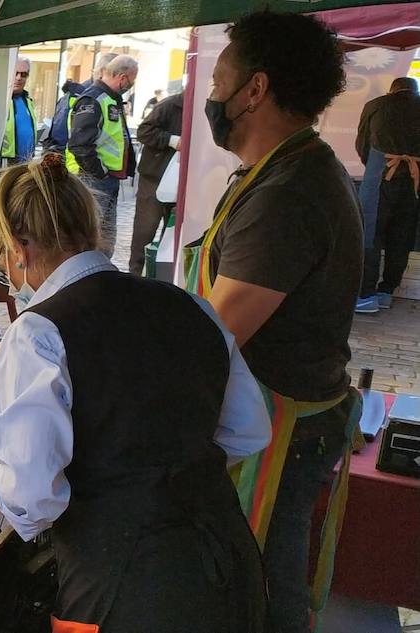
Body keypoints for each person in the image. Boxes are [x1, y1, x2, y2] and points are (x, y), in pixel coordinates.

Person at [0, 154, 270, 633]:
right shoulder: (191, 306)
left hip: (123, 585)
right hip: (225, 561)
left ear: (18, 248)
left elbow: (34, 500)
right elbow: (247, 429)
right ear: (89, 229)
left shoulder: (37, 332)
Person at [186, 11, 360, 632]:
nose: (211, 97)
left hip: (280, 425)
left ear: (254, 90)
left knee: (261, 583)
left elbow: (213, 336)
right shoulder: (280, 171)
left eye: (218, 84)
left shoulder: (289, 193)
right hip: (265, 410)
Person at [355, 76, 420, 313]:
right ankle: (386, 291)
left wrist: (375, 164)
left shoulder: (376, 105)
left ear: (393, 90)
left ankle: (365, 296)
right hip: (414, 181)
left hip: (379, 176)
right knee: (402, 236)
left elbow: (362, 145)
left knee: (370, 233)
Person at [66, 54, 139, 258]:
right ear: (123, 78)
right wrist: (100, 172)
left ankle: (102, 275)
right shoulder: (94, 100)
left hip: (107, 179)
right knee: (89, 238)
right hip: (94, 179)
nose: (132, 84)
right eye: (132, 80)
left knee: (105, 240)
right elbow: (80, 144)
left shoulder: (111, 100)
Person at [130, 90, 184, 275]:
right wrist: (172, 140)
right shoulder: (169, 106)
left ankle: (159, 276)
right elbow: (144, 131)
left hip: (179, 182)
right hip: (154, 178)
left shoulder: (201, 110)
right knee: (144, 232)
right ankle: (135, 276)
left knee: (169, 235)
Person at [45, 52, 118, 156]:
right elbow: (60, 140)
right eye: (117, 75)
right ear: (103, 72)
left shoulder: (108, 98)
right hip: (78, 168)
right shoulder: (78, 97)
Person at [0, 58, 36, 166]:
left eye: (23, 74)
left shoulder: (28, 101)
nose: (18, 78)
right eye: (15, 73)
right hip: (5, 164)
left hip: (26, 163)